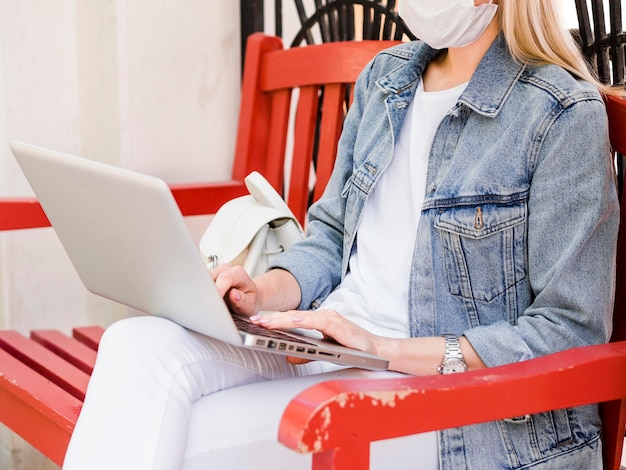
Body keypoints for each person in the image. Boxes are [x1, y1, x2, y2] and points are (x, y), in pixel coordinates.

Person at [62, 0, 622, 469]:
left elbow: (569, 331)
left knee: (181, 436)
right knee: (135, 345)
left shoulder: (559, 113)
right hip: (333, 341)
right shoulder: (387, 78)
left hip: (451, 405)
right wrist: (268, 289)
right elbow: (331, 234)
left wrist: (384, 349)